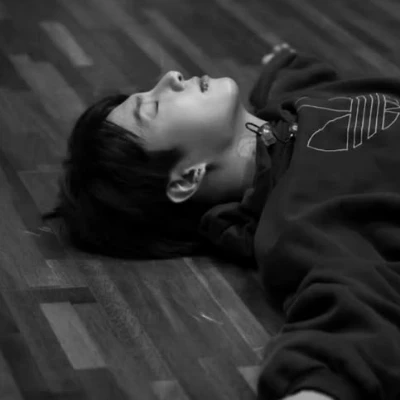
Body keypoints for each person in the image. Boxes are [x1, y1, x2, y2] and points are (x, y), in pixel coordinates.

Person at [43, 43, 400, 400]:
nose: (170, 77)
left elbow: (298, 75)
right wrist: (317, 387)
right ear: (187, 177)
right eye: (153, 107)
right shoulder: (302, 215)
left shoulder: (290, 100)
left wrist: (281, 60)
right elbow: (351, 304)